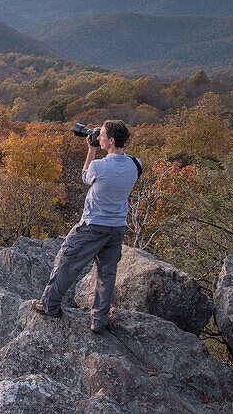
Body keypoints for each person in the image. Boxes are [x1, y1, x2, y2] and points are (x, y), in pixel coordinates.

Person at [32, 120, 139, 333]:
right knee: (106, 274)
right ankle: (99, 321)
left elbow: (85, 177)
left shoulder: (99, 166)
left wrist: (91, 151)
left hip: (93, 225)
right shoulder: (136, 165)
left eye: (102, 135)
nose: (98, 137)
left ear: (111, 140)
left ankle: (49, 304)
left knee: (67, 261)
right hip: (117, 227)